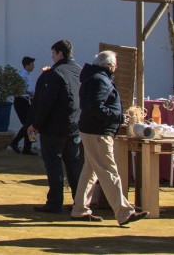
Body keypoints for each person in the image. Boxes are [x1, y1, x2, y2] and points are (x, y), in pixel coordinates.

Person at [72, 50, 148, 226]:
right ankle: (124, 212)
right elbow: (95, 107)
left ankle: (80, 209)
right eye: (114, 65)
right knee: (108, 171)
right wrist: (118, 116)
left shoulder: (93, 78)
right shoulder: (100, 80)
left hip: (92, 130)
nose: (115, 68)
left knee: (90, 171)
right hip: (99, 131)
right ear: (109, 66)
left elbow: (92, 105)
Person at [28, 40, 83, 215]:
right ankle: (79, 201)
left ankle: (55, 202)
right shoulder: (79, 71)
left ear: (59, 53)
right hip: (75, 126)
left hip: (54, 128)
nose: (52, 57)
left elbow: (46, 103)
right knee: (74, 165)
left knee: (54, 164)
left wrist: (36, 124)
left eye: (53, 53)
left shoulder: (54, 73)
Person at [10, 56, 38, 155]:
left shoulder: (29, 75)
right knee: (28, 123)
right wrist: (29, 92)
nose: (33, 66)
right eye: (32, 64)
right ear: (26, 65)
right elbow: (16, 90)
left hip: (28, 100)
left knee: (31, 123)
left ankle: (27, 148)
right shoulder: (21, 75)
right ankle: (15, 142)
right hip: (21, 101)